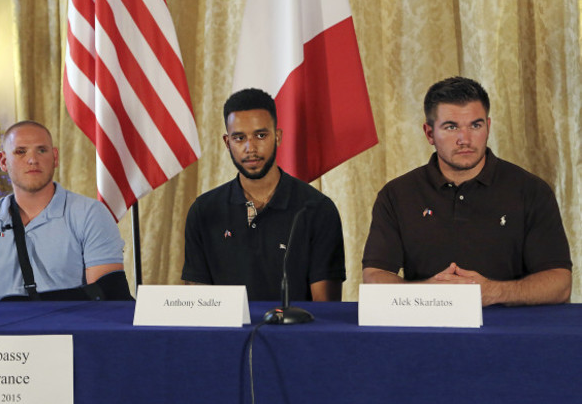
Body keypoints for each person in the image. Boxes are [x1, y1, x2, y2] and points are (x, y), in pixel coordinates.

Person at [362, 76, 572, 306]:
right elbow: (375, 276)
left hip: (511, 334)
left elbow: (560, 284)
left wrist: (493, 292)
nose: (465, 139)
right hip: (426, 331)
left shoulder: (532, 191)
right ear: (429, 133)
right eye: (451, 127)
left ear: (488, 127)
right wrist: (427, 294)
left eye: (475, 125)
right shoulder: (397, 195)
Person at [181, 88, 345, 301]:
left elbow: (325, 312)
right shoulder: (204, 211)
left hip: (294, 334)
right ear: (227, 142)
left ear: (277, 137)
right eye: (239, 138)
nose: (250, 147)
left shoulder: (317, 209)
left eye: (260, 135)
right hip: (227, 335)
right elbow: (198, 306)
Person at [0, 121, 129, 302]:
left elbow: (105, 300)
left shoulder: (91, 214)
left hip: (69, 330)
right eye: (20, 151)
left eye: (42, 150)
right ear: (3, 161)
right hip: (2, 332)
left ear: (55, 157)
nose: (33, 159)